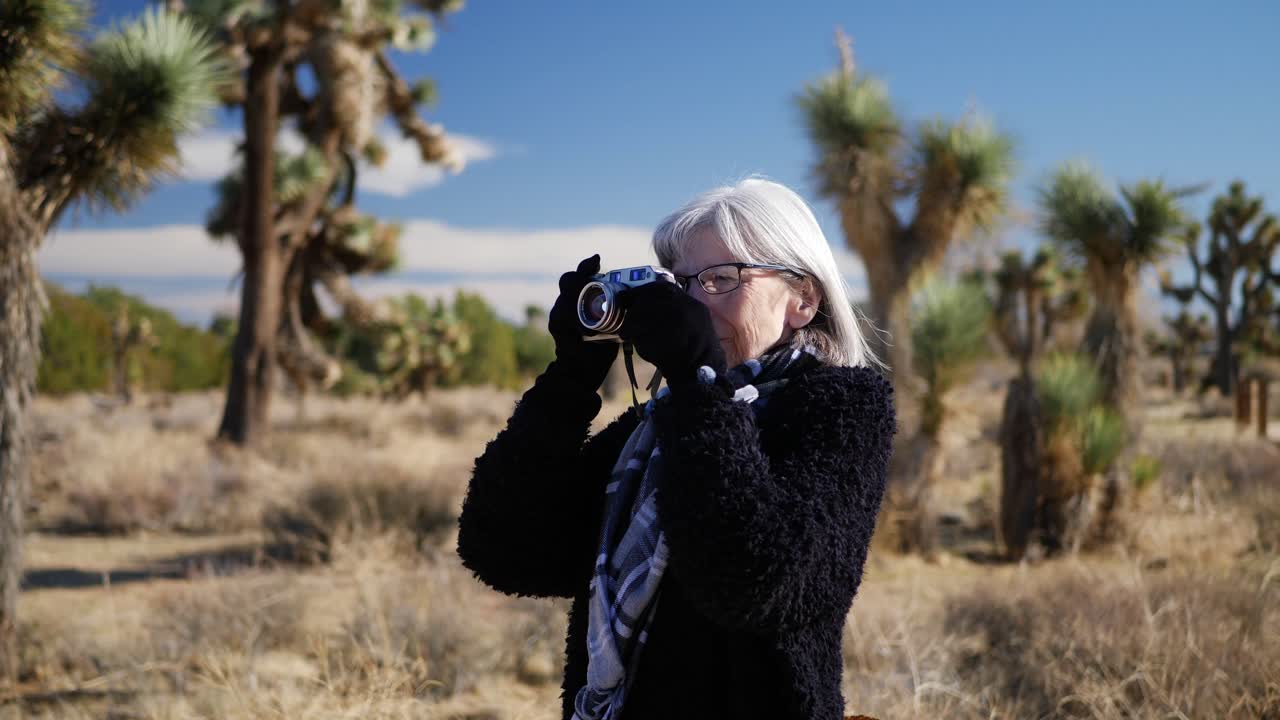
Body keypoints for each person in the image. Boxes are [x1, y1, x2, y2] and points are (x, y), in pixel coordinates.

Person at [456, 177, 897, 720]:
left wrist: (698, 383)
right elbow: (502, 551)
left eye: (721, 279)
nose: (695, 305)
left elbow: (756, 583)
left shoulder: (844, 407)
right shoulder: (658, 427)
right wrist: (569, 380)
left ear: (803, 298)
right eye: (681, 284)